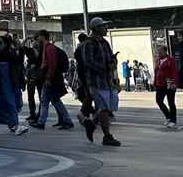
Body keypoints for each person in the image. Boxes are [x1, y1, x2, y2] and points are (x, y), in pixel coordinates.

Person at [82, 17, 121, 146]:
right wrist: (105, 67)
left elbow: (109, 59)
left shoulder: (105, 43)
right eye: (104, 26)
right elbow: (88, 62)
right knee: (104, 108)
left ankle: (91, 124)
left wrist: (113, 65)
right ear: (96, 28)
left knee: (110, 106)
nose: (106, 28)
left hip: (107, 80)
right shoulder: (89, 43)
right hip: (96, 81)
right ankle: (107, 136)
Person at [29, 30, 73, 130]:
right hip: (50, 77)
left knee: (51, 100)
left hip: (51, 78)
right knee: (50, 100)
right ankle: (44, 121)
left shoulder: (49, 48)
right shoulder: (46, 48)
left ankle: (44, 122)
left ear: (43, 37)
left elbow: (52, 65)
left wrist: (48, 78)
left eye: (38, 36)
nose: (37, 39)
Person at [0, 35, 28, 136]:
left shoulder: (9, 55)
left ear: (5, 44)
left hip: (8, 83)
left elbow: (19, 60)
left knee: (11, 104)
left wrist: (21, 47)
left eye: (0, 42)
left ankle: (15, 125)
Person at [153, 41, 179, 127]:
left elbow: (174, 71)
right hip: (160, 84)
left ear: (165, 51)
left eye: (160, 50)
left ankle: (173, 120)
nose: (159, 52)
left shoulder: (170, 60)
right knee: (159, 100)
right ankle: (168, 115)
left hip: (169, 83)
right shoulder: (157, 60)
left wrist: (175, 82)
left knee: (171, 102)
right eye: (158, 51)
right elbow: (156, 71)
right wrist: (154, 82)